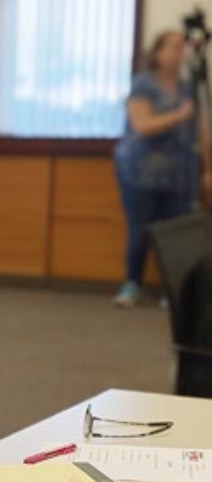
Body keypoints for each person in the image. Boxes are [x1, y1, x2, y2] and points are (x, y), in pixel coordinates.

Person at [113, 29, 211, 308]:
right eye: (173, 47)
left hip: (181, 171)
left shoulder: (188, 87)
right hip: (141, 171)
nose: (179, 52)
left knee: (176, 232)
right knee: (140, 229)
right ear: (157, 53)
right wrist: (179, 115)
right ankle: (132, 284)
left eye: (183, 47)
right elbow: (142, 125)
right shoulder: (143, 85)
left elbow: (200, 130)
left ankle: (174, 289)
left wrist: (207, 170)